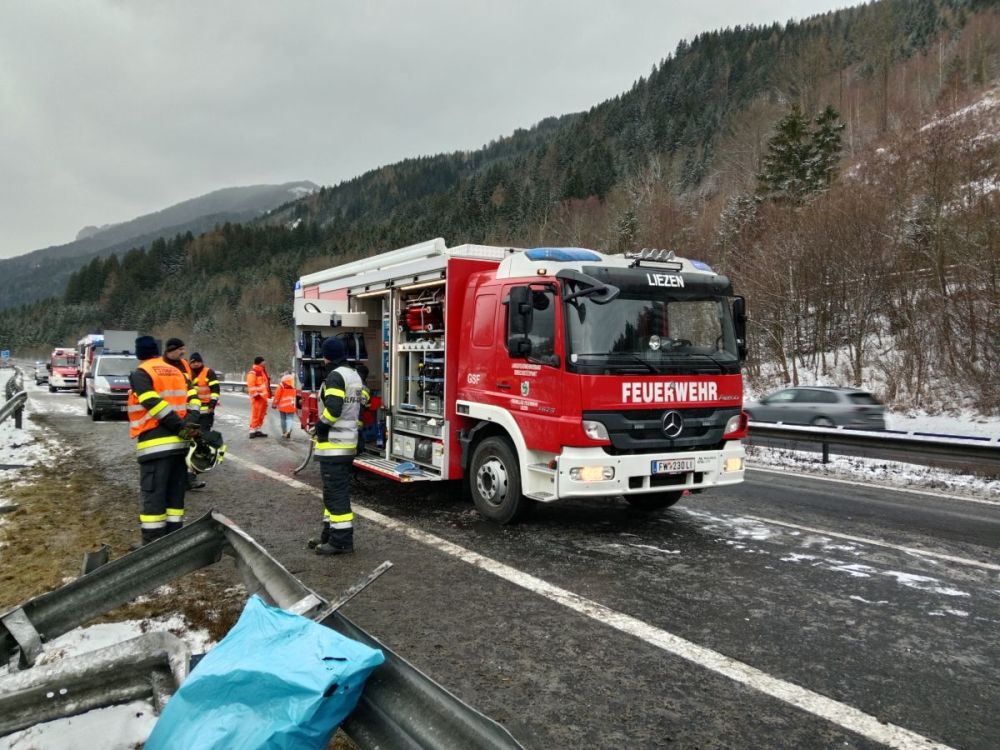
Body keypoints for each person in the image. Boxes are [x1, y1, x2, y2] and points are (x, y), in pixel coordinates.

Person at [127, 335, 201, 546]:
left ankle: (152, 546)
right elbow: (194, 400)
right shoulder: (177, 371)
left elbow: (153, 404)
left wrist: (179, 426)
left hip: (155, 446)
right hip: (180, 446)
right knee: (175, 497)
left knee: (154, 497)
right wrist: (188, 425)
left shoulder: (142, 373)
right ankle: (173, 542)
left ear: (139, 353)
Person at [308, 337, 364, 555]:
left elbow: (333, 409)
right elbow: (361, 401)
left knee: (336, 494)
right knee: (331, 493)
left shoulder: (335, 376)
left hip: (334, 445)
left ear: (326, 356)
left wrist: (320, 426)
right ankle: (329, 535)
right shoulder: (353, 375)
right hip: (347, 443)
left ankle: (341, 541)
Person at [187, 352, 221, 488]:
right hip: (190, 413)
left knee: (201, 440)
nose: (195, 364)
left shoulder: (208, 372)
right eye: (193, 362)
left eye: (197, 361)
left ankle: (194, 471)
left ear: (201, 362)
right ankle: (190, 474)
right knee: (191, 442)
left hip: (205, 412)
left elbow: (215, 390)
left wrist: (212, 405)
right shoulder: (187, 374)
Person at [246, 356, 271, 438]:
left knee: (261, 414)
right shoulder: (253, 373)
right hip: (257, 397)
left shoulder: (262, 371)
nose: (265, 363)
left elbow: (265, 384)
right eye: (264, 361)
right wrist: (255, 395)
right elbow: (251, 386)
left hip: (263, 397)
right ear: (260, 362)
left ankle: (257, 429)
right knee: (256, 414)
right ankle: (252, 430)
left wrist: (268, 394)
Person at [271, 371, 297, 438]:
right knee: (290, 418)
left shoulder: (282, 385)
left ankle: (284, 432)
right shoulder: (295, 385)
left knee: (283, 419)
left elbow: (277, 395)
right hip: (291, 404)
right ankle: (289, 430)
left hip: (282, 405)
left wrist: (274, 404)